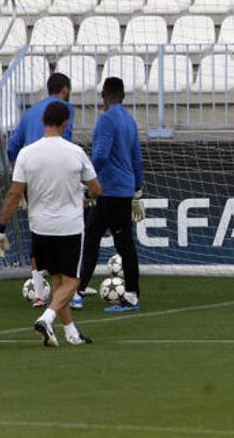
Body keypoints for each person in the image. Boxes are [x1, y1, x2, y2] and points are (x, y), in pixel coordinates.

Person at [0, 102, 102, 347]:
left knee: (57, 279)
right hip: (69, 227)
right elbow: (96, 189)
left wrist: (0, 227)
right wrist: (83, 194)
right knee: (72, 281)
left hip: (40, 226)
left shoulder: (27, 153)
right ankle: (46, 317)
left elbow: (13, 193)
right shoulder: (75, 152)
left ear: (44, 121)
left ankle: (71, 333)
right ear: (65, 123)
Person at [6, 73, 75, 307]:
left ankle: (38, 293)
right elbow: (67, 141)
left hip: (32, 180)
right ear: (65, 89)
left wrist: (22, 172)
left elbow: (13, 147)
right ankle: (68, 288)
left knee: (39, 232)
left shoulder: (31, 112)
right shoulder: (65, 109)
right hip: (57, 178)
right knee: (66, 232)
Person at [77, 77, 145, 312]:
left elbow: (101, 155)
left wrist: (88, 179)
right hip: (123, 191)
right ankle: (79, 290)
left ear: (103, 96)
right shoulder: (130, 120)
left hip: (107, 191)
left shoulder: (106, 119)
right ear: (123, 96)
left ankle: (130, 295)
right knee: (116, 243)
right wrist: (137, 188)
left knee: (95, 241)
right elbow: (137, 157)